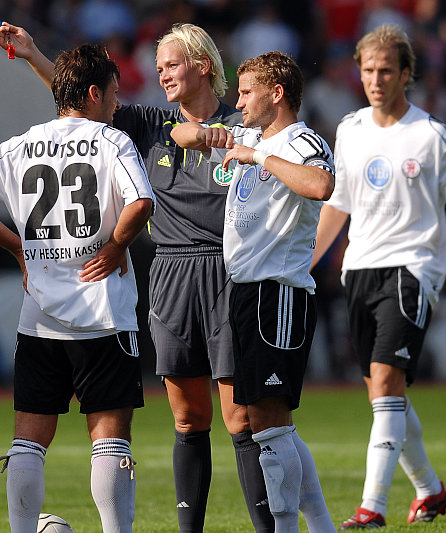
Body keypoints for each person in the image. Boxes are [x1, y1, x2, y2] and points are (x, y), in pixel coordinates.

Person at [0, 21, 275, 532]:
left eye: (171, 64)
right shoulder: (147, 123)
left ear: (203, 65)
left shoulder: (244, 125)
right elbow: (80, 98)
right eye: (158, 66)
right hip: (170, 271)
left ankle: (268, 527)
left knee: (240, 417)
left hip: (231, 270)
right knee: (188, 417)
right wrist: (32, 54)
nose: (161, 74)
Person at [311, 24, 446, 529]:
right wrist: (304, 263)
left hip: (413, 269)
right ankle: (430, 490)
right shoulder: (350, 129)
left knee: (385, 383)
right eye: (368, 70)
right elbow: (338, 206)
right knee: (385, 396)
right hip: (359, 269)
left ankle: (371, 508)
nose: (375, 80)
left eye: (385, 71)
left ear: (405, 75)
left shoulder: (431, 135)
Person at [0, 43, 154, 533]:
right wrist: (116, 245)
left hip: (39, 318)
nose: (116, 104)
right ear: (94, 93)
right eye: (113, 94)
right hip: (103, 312)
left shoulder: (21, 144)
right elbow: (141, 202)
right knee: (110, 439)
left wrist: (19, 249)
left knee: (29, 440)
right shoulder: (111, 141)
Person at [170, 51, 337, 533]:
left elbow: (321, 185)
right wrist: (210, 136)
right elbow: (181, 134)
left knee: (268, 424)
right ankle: (322, 527)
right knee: (270, 422)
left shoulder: (300, 140)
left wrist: (260, 156)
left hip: (277, 294)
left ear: (276, 93)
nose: (238, 103)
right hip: (246, 293)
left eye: (246, 92)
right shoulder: (249, 136)